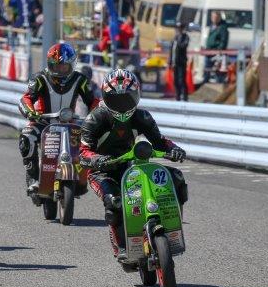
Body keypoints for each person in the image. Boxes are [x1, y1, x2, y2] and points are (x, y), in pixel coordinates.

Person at [79, 69, 188, 260]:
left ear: (136, 95)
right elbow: (83, 152)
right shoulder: (95, 118)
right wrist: (97, 159)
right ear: (106, 96)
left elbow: (160, 142)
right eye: (117, 99)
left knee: (176, 178)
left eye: (127, 98)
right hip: (102, 172)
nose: (122, 105)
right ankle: (121, 246)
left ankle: (172, 228)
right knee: (114, 201)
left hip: (131, 167)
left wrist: (174, 149)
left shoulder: (142, 117)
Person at [18, 42, 100, 194]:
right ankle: (33, 177)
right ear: (50, 65)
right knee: (26, 137)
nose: (60, 69)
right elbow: (26, 98)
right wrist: (31, 112)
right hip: (43, 122)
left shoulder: (80, 80)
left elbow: (93, 101)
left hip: (70, 125)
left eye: (64, 66)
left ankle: (83, 180)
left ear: (71, 65)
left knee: (91, 141)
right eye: (56, 66)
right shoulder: (40, 78)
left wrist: (96, 114)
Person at [205, 11, 229, 83]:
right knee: (207, 71)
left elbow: (223, 41)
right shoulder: (212, 26)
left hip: (217, 53)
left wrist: (219, 51)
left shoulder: (222, 27)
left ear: (219, 18)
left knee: (218, 72)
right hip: (209, 52)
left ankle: (220, 84)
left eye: (215, 17)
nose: (213, 19)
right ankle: (205, 83)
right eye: (212, 17)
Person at [170, 22, 190, 101]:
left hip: (181, 62)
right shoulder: (174, 38)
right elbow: (171, 51)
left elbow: (183, 46)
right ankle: (177, 96)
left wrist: (177, 42)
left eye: (180, 28)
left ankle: (185, 96)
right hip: (175, 62)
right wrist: (170, 61)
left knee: (182, 80)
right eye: (177, 28)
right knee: (175, 80)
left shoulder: (185, 37)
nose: (178, 29)